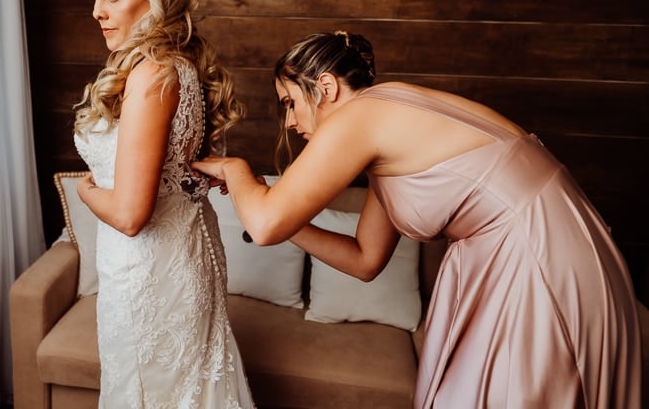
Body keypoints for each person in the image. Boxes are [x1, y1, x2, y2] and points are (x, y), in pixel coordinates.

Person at [192, 30, 641, 408]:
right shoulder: (385, 131)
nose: (288, 121)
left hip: (537, 256)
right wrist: (289, 219)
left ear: (326, 88)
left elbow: (266, 224)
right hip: (529, 247)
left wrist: (236, 170)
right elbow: (366, 260)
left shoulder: (362, 115)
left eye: (289, 102)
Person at [73, 0, 256, 408]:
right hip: (172, 255)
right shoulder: (177, 65)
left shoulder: (152, 73)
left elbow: (133, 215)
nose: (98, 11)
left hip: (149, 269)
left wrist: (86, 193)